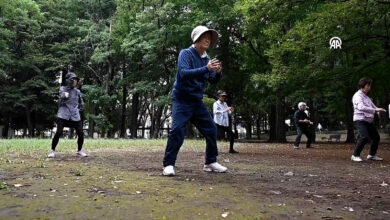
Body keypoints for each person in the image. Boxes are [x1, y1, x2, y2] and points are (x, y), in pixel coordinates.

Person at [162, 25, 228, 176]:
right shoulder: (185, 53)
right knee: (178, 130)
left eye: (209, 38)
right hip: (181, 99)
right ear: (196, 39)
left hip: (196, 101)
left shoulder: (207, 59)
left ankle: (210, 162)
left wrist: (218, 72)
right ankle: (168, 165)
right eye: (204, 37)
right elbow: (184, 73)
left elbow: (212, 80)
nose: (207, 40)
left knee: (211, 129)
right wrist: (206, 68)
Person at [48, 65, 87, 158]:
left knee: (81, 133)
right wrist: (64, 96)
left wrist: (81, 106)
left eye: (76, 80)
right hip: (63, 115)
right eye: (73, 79)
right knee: (58, 132)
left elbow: (81, 103)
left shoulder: (77, 92)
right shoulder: (63, 89)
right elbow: (60, 102)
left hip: (75, 115)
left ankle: (79, 150)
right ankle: (52, 151)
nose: (75, 81)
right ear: (68, 80)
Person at [351, 77, 386, 162]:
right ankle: (355, 155)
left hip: (368, 121)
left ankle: (371, 155)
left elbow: (374, 107)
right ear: (363, 85)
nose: (369, 87)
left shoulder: (366, 97)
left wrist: (379, 109)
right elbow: (361, 107)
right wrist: (376, 110)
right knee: (364, 137)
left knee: (376, 137)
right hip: (360, 120)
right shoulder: (358, 95)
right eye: (368, 85)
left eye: (370, 85)